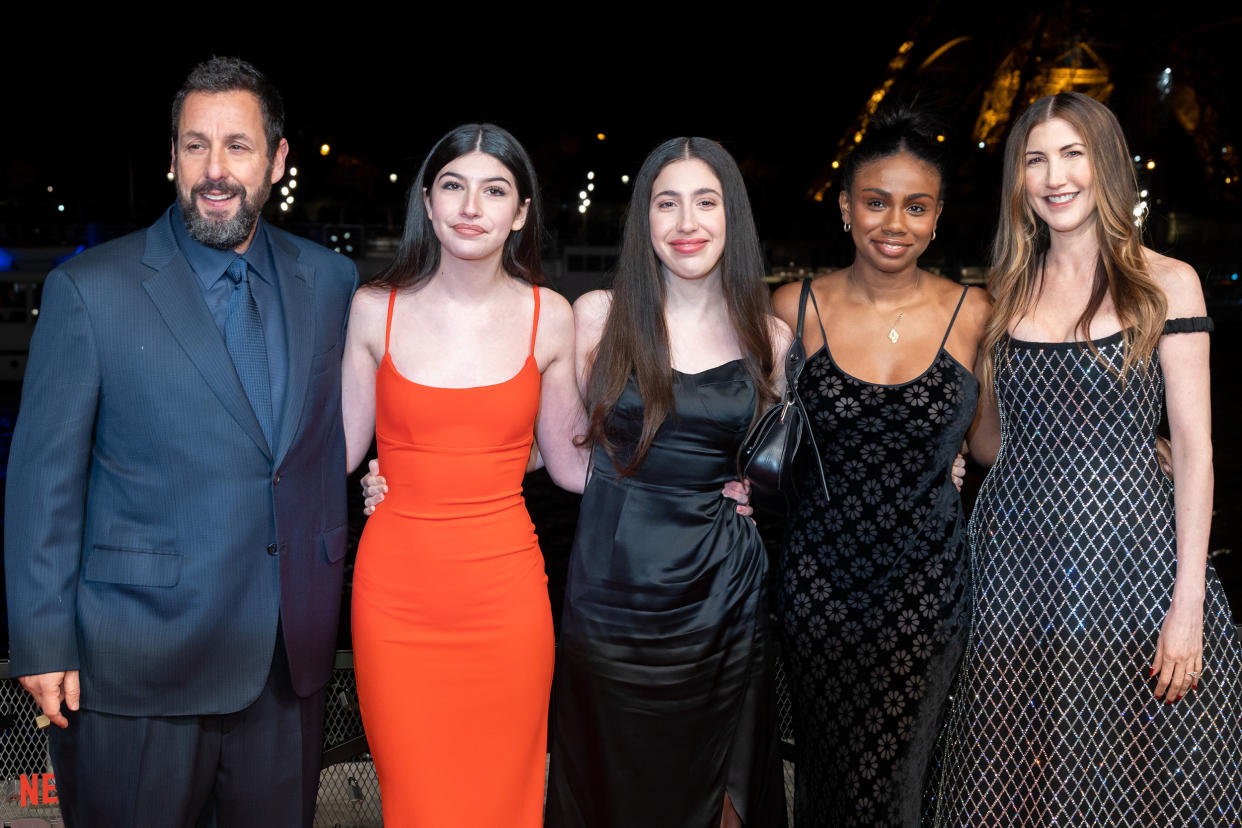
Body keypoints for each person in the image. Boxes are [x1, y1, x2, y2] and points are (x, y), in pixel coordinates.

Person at [4, 57, 357, 827]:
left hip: (283, 663)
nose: (215, 171)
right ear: (171, 158)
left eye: (238, 146)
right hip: (137, 667)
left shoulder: (332, 283)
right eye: (195, 146)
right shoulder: (90, 291)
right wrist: (39, 640)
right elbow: (43, 484)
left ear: (278, 159)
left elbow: (345, 431)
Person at [934, 91, 1242, 824]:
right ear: (1019, 180)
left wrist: (1188, 604)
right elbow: (991, 441)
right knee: (1020, 783)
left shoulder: (1167, 282)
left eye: (1072, 153)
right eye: (1035, 159)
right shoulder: (1004, 293)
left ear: (1106, 163)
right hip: (1014, 570)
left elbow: (1195, 449)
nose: (1054, 175)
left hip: (1133, 567)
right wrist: (942, 445)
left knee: (1139, 777)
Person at [339, 123, 586, 827]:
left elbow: (570, 466)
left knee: (506, 802)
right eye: (453, 185)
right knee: (415, 803)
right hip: (395, 602)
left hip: (506, 602)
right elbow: (335, 454)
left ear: (521, 213)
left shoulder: (550, 318)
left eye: (495, 189)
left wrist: (704, 477)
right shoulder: (372, 311)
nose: (471, 205)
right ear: (427, 199)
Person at [542, 137, 789, 828]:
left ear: (731, 216)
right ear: (644, 220)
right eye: (667, 203)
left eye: (706, 202)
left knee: (724, 796)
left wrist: (759, 495)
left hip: (723, 600)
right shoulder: (596, 314)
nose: (687, 223)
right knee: (609, 787)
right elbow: (563, 463)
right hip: (612, 598)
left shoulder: (770, 336)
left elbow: (779, 462)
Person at [770, 109, 989, 827]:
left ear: (936, 218)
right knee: (828, 780)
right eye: (876, 200)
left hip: (925, 594)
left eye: (916, 205)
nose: (894, 221)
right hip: (817, 590)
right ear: (844, 207)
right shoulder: (793, 308)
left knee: (900, 784)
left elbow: (992, 444)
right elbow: (744, 432)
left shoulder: (974, 313)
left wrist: (1134, 442)